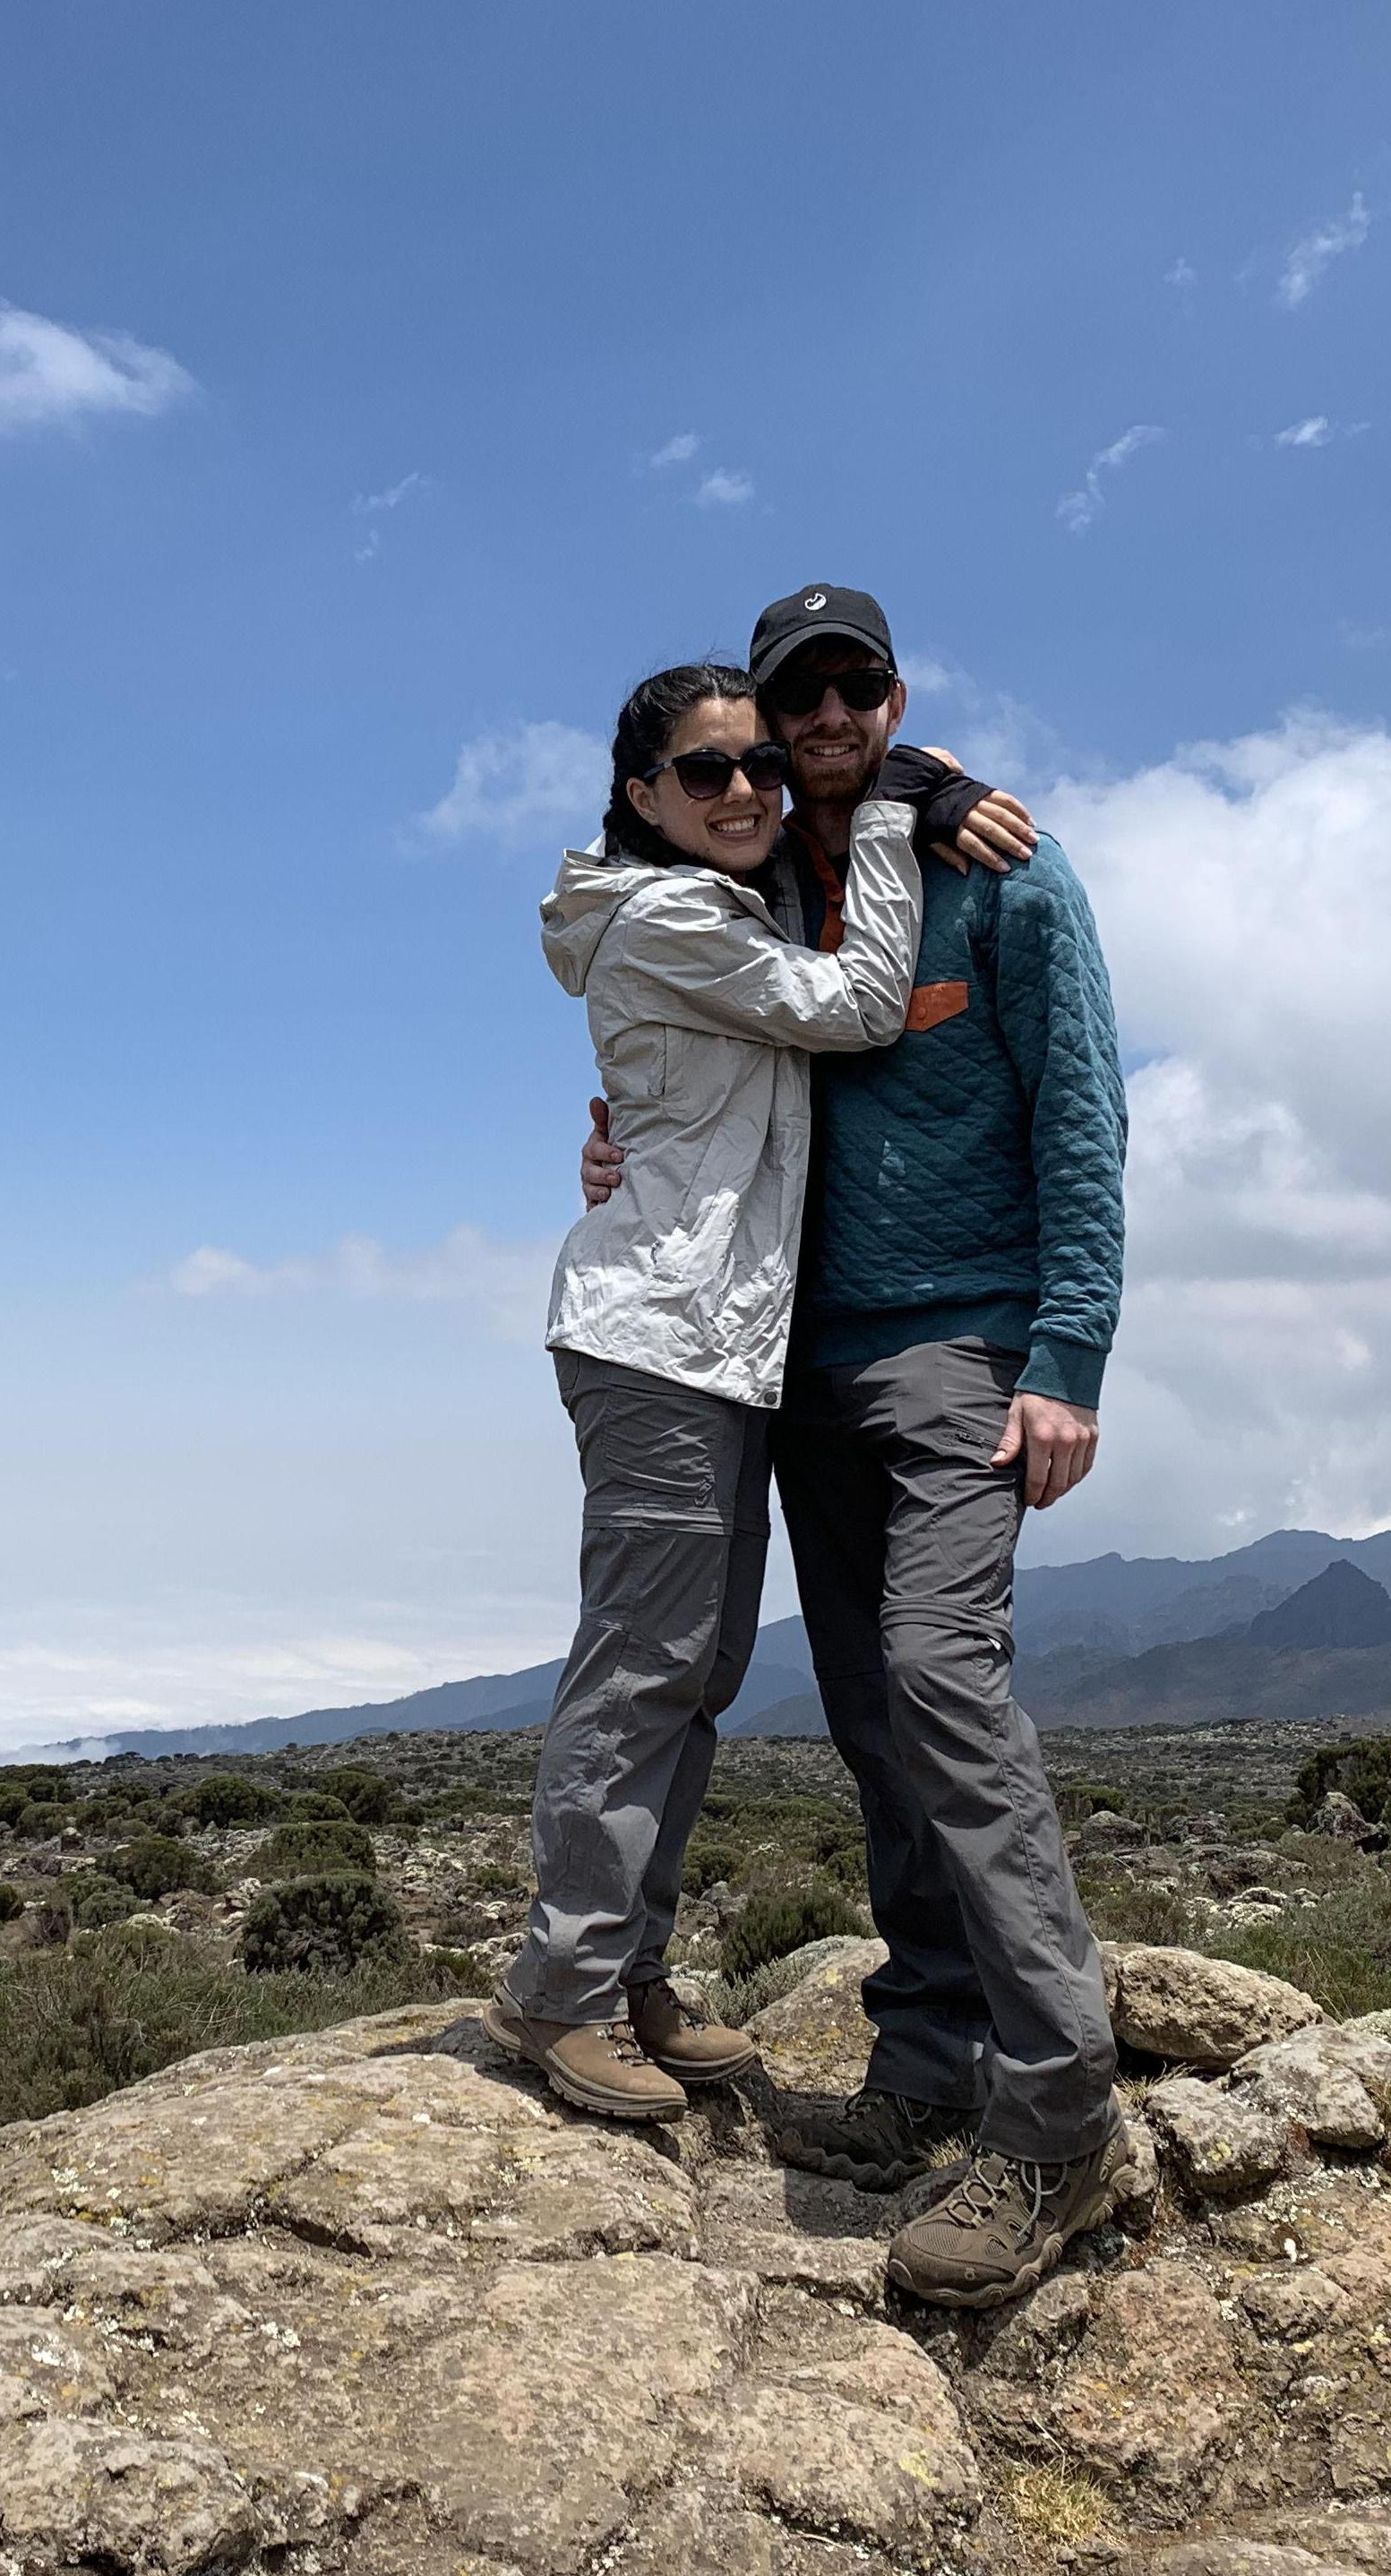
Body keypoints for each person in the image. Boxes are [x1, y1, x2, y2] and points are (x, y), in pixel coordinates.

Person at [580, 584, 1129, 2309]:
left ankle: (1055, 2117)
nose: (818, 722)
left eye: (852, 689)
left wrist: (1068, 1357)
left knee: (942, 1683)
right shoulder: (758, 891)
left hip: (967, 1356)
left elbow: (1088, 1109)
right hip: (799, 1369)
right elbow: (694, 1060)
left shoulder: (1004, 871)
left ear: (895, 699)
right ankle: (923, 2073)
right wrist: (620, 1146)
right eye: (786, 700)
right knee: (881, 1725)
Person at [485, 658, 975, 2122]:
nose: (751, 788)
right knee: (643, 1670)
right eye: (708, 770)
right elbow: (862, 1003)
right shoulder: (678, 913)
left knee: (690, 1678)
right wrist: (892, 811)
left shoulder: (704, 908)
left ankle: (626, 1976)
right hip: (660, 1341)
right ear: (642, 797)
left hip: (711, 1337)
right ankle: (561, 1993)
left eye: (763, 763)